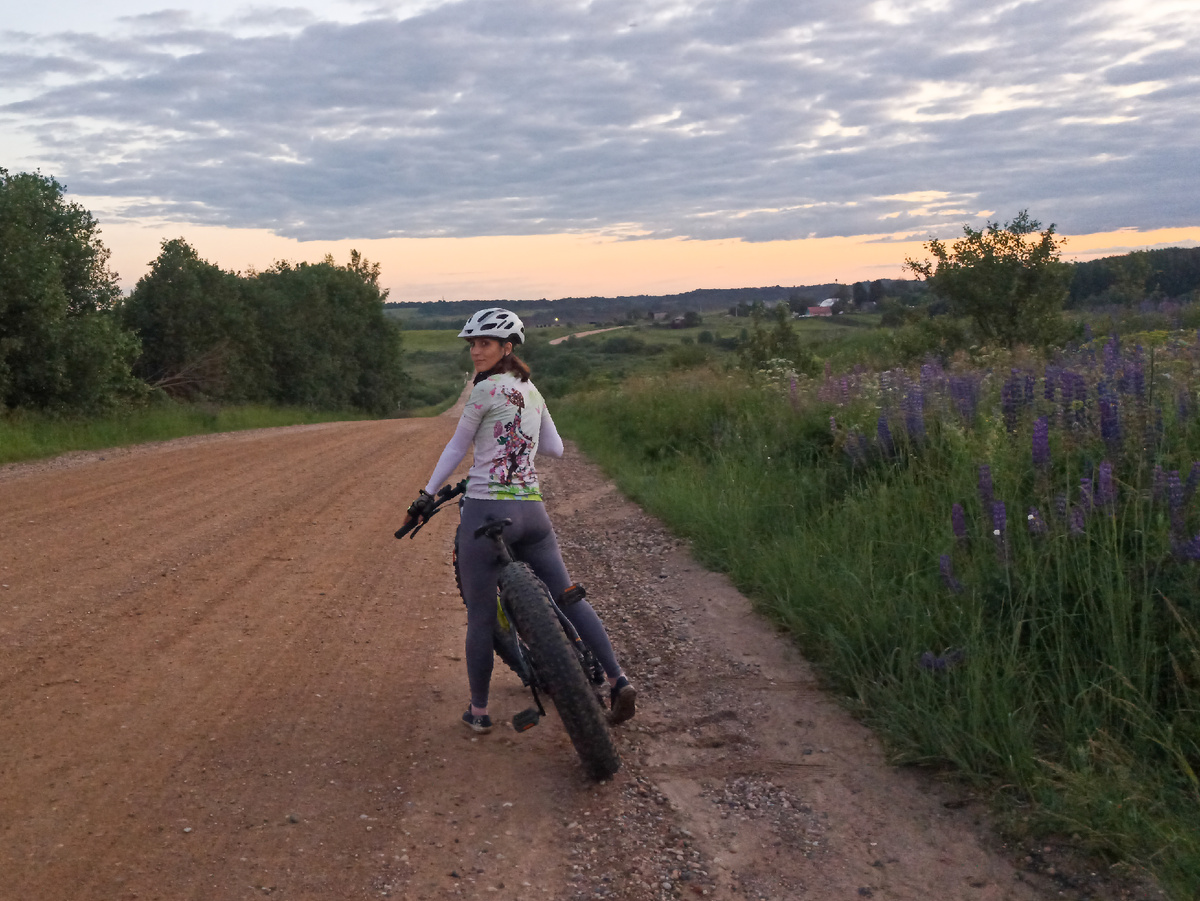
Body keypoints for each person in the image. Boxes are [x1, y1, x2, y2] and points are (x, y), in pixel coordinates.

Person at [402, 308, 636, 735]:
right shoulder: (532, 391)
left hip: (487, 511)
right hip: (533, 513)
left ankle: (479, 711)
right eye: (472, 343)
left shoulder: (484, 391)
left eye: (485, 343)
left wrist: (427, 495)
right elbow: (557, 449)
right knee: (568, 595)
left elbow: (456, 449)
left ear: (507, 348)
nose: (475, 351)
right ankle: (619, 679)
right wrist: (518, 448)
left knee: (480, 614)